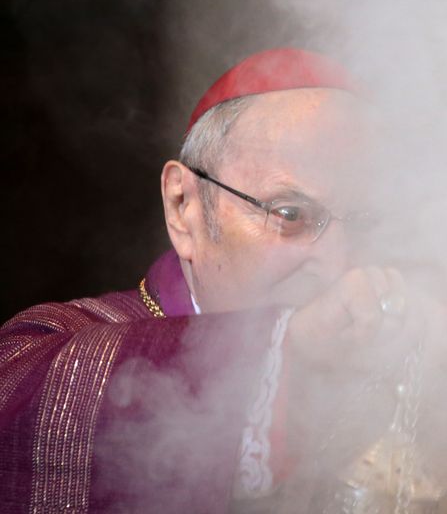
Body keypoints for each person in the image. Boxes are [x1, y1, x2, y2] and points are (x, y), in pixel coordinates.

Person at [0, 48, 413, 513]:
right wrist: (287, 347)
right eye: (290, 214)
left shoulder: (385, 372)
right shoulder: (52, 338)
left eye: (363, 223)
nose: (338, 266)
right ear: (184, 207)